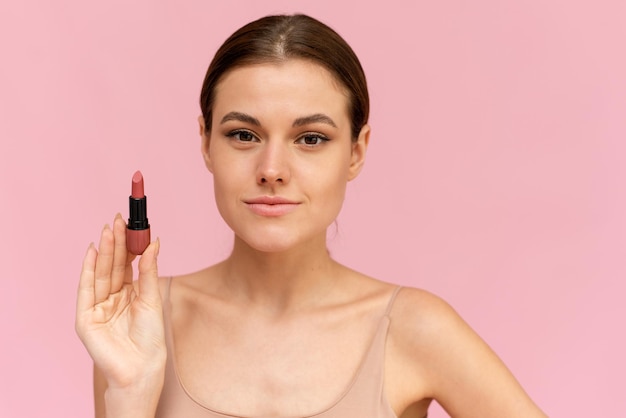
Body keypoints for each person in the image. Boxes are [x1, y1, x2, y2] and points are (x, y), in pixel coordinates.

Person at [75, 14, 547, 418]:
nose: (272, 171)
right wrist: (130, 397)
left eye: (311, 139)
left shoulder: (413, 328)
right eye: (243, 135)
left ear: (357, 152)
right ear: (205, 142)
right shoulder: (142, 318)